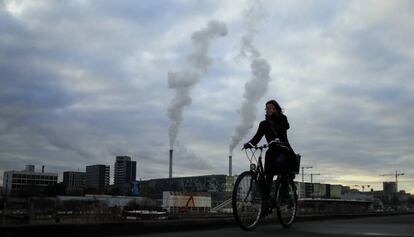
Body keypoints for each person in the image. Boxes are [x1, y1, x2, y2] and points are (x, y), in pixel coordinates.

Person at [243, 100, 295, 210]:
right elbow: (257, 136)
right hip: (272, 150)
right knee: (268, 174)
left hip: (283, 149)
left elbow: (285, 127)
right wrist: (250, 144)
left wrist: (275, 117)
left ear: (276, 109)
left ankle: (285, 191)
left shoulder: (282, 118)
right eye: (267, 108)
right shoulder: (264, 124)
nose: (268, 110)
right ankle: (266, 200)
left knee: (280, 163)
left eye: (271, 107)